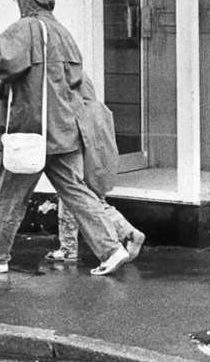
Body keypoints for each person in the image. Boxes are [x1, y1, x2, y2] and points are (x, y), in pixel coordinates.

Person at [0, 0, 135, 276]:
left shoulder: (26, 28)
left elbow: (5, 64)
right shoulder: (62, 32)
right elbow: (76, 81)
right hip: (64, 130)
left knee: (6, 193)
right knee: (76, 191)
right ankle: (111, 249)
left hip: (31, 131)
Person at [45, 71, 145, 265]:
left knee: (73, 194)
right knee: (90, 197)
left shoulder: (59, 82)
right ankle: (127, 232)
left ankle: (69, 248)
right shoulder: (91, 97)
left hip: (75, 143)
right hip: (95, 146)